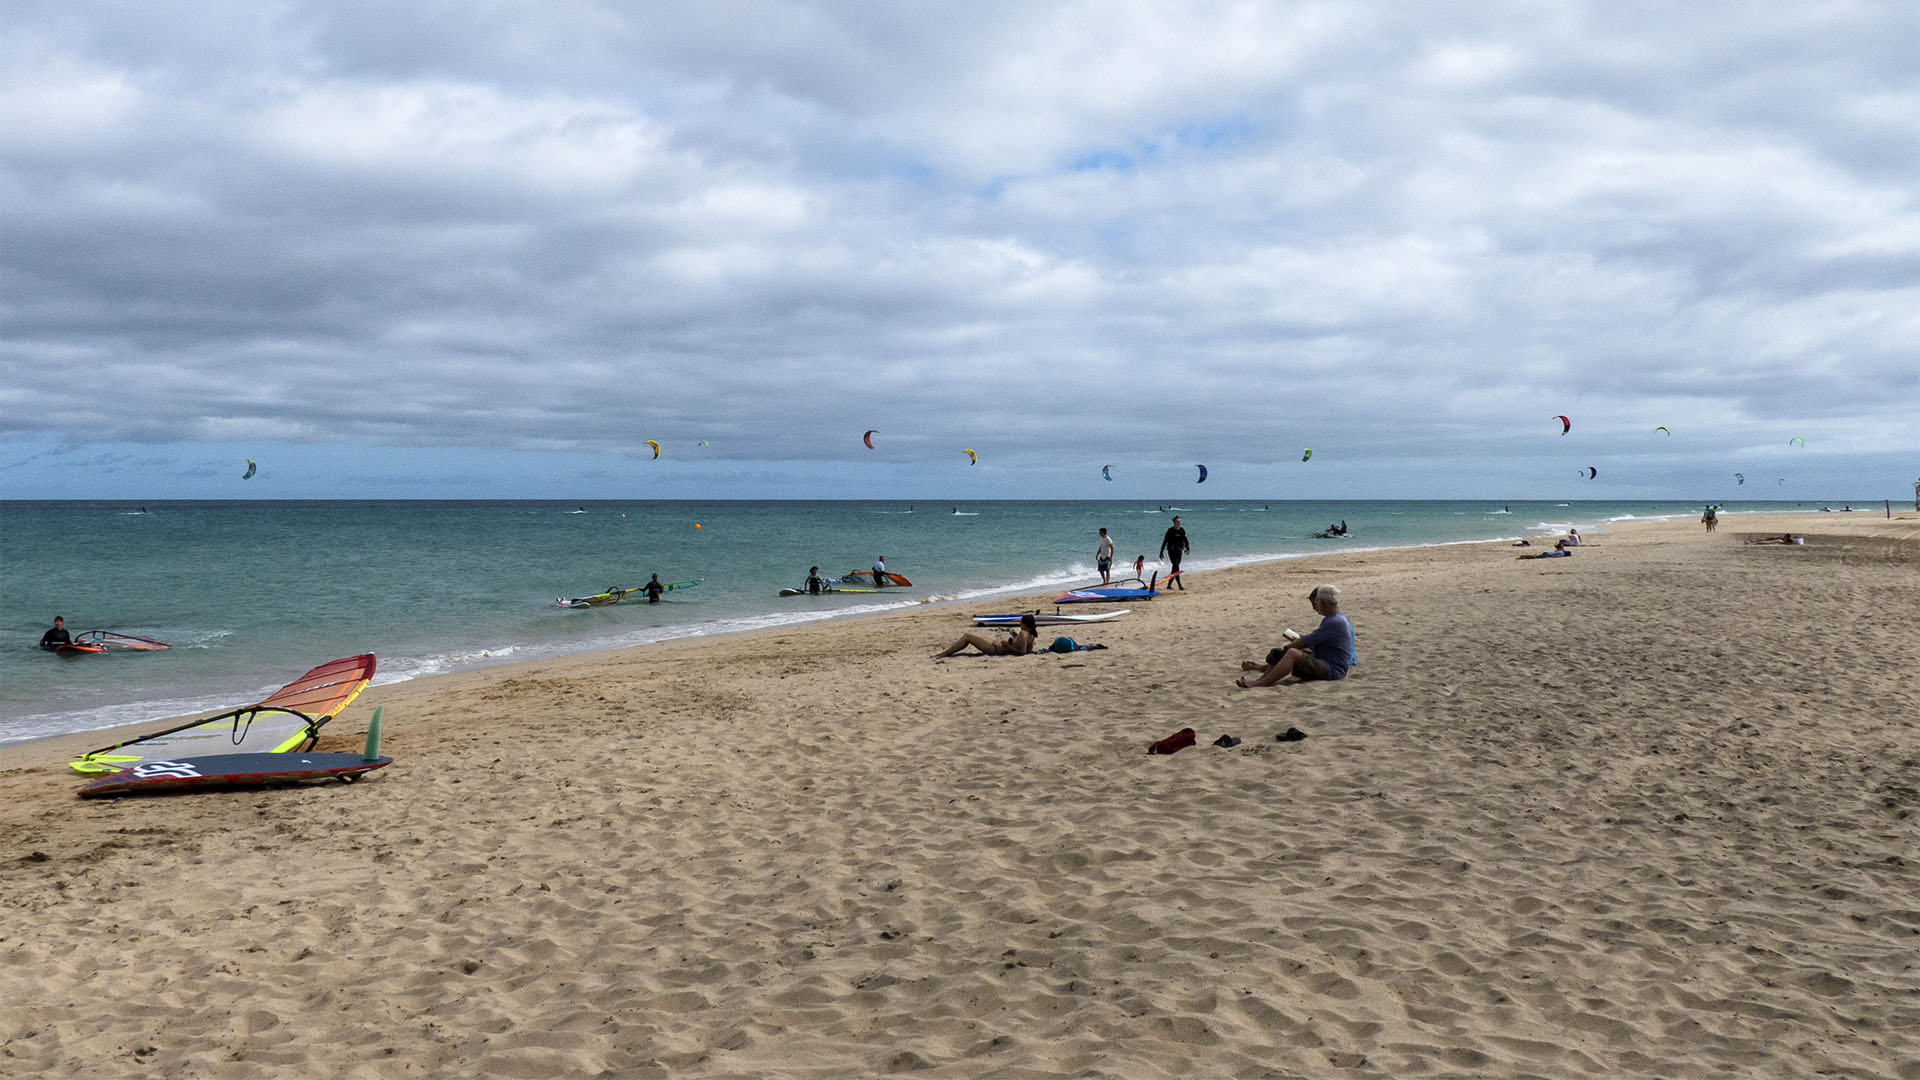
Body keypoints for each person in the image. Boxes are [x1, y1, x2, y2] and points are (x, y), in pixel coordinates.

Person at [1236, 586, 1352, 687]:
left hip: (1333, 669)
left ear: (1322, 602)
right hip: (1327, 660)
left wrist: (1286, 648)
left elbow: (1307, 641)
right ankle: (1260, 680)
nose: (1316, 606)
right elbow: (1315, 639)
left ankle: (1262, 683)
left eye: (1317, 602)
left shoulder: (1335, 622)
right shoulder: (1336, 618)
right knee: (1289, 651)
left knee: (1292, 653)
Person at [935, 614, 1037, 658]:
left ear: (1024, 624)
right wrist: (1014, 640)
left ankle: (944, 654)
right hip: (997, 646)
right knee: (975, 634)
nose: (1020, 625)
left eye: (1021, 623)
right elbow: (1029, 652)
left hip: (995, 649)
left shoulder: (1023, 633)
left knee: (967, 636)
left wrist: (1008, 645)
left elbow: (1022, 652)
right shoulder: (1031, 636)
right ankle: (944, 653)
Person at [1159, 516, 1190, 589]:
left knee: (1175, 568)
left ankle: (1169, 585)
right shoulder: (1170, 530)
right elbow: (1165, 541)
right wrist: (1161, 552)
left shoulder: (1182, 530)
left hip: (1179, 551)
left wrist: (1187, 548)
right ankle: (1179, 585)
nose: (1179, 523)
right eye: (1177, 522)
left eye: (1179, 522)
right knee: (1176, 566)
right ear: (1174, 522)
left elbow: (1185, 540)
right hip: (1171, 551)